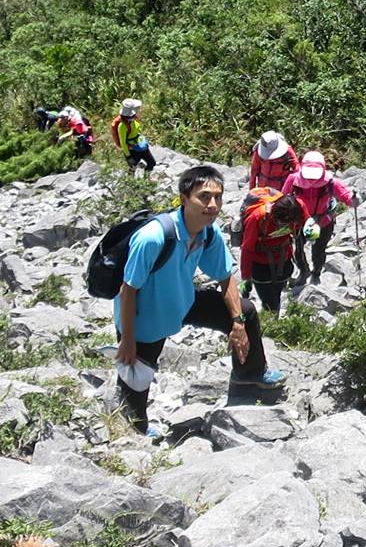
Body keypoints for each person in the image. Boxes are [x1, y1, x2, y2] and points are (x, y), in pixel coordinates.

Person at [114, 164, 281, 434]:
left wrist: (236, 323)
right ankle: (136, 427)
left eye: (218, 197)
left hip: (182, 300)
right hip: (147, 315)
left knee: (246, 311)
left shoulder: (207, 232)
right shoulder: (153, 238)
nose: (212, 205)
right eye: (204, 197)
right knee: (136, 378)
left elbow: (225, 277)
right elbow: (127, 291)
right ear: (183, 199)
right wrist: (128, 339)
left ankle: (249, 377)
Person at [281, 151, 357, 287]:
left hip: (323, 222)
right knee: (298, 250)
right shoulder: (293, 179)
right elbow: (283, 198)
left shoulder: (331, 182)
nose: (311, 180)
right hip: (300, 222)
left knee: (319, 251)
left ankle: (316, 273)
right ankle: (303, 271)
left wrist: (353, 200)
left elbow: (345, 195)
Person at [239, 188, 305, 314]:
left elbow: (305, 217)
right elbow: (247, 248)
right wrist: (246, 277)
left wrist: (311, 226)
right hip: (259, 266)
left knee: (277, 295)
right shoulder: (258, 217)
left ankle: (272, 320)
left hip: (283, 260)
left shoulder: (296, 210)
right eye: (280, 223)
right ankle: (271, 324)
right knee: (269, 302)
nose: (283, 226)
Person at [110, 98, 156, 172]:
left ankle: (146, 179)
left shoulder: (133, 119)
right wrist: (128, 157)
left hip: (140, 144)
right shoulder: (122, 126)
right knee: (132, 169)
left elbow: (138, 130)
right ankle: (131, 182)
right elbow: (123, 142)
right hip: (132, 150)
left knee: (152, 163)